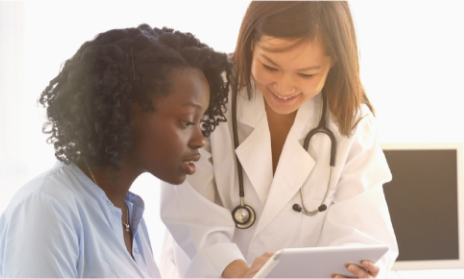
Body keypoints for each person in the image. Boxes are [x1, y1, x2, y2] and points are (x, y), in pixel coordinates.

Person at [160, 1, 398, 279]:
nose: (284, 88)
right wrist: (241, 274)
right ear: (251, 44)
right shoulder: (206, 94)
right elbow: (189, 214)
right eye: (269, 66)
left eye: (306, 74)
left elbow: (361, 233)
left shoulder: (351, 122)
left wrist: (358, 270)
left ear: (334, 62)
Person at [0, 24, 232, 278]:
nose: (200, 139)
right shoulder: (47, 207)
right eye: (187, 121)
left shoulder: (130, 217)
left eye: (202, 122)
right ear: (127, 113)